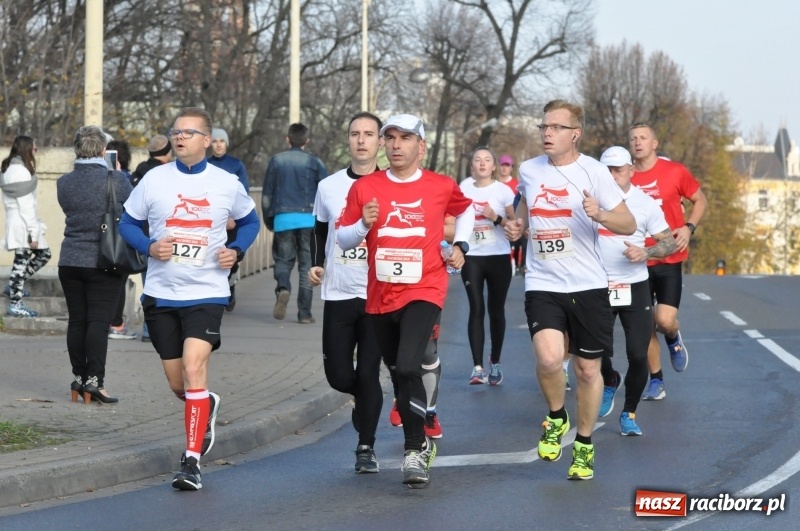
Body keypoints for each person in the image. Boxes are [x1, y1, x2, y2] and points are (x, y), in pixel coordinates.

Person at [119, 107, 260, 491]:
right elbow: (127, 223)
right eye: (176, 131)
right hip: (161, 294)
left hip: (207, 293)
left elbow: (250, 221)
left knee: (195, 368)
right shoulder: (154, 179)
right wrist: (149, 246)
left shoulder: (226, 182)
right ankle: (204, 403)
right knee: (179, 385)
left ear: (207, 140)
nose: (179, 137)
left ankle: (192, 461)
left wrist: (237, 251)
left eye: (188, 132)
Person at [336, 113, 474, 488]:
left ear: (421, 146)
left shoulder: (440, 185)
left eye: (406, 138)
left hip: (425, 288)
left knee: (411, 365)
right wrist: (363, 224)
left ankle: (413, 450)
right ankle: (421, 442)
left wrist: (460, 246)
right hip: (381, 295)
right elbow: (343, 239)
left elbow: (466, 209)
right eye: (391, 138)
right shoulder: (366, 187)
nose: (397, 145)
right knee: (400, 373)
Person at [504, 100, 635, 481]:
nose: (547, 133)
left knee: (587, 370)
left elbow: (627, 223)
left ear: (574, 134)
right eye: (543, 127)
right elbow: (524, 206)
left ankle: (584, 444)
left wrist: (602, 214)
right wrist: (518, 226)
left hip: (588, 284)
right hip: (543, 282)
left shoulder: (594, 172)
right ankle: (557, 416)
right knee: (549, 360)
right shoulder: (530, 170)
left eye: (556, 128)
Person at [308, 112, 386, 473]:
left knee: (369, 373)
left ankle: (365, 446)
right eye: (355, 133)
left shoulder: (391, 184)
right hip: (338, 291)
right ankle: (363, 400)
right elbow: (319, 229)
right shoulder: (329, 186)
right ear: (348, 140)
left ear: (380, 142)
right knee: (339, 376)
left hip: (377, 294)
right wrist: (316, 263)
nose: (361, 140)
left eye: (369, 134)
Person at [595, 146, 676, 435]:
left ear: (631, 170)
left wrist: (646, 252)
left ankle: (629, 413)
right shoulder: (589, 201)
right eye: (607, 170)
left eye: (618, 170)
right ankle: (609, 379)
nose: (612, 175)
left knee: (638, 355)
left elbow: (669, 242)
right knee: (594, 352)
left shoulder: (645, 203)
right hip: (597, 285)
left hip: (634, 285)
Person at [628, 123, 707, 400]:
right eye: (633, 139)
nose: (638, 142)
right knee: (645, 325)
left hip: (668, 257)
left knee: (664, 320)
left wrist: (688, 227)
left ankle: (673, 337)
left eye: (643, 138)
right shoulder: (624, 176)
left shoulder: (675, 171)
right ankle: (657, 380)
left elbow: (700, 200)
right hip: (636, 261)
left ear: (654, 143)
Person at [57, 126, 131, 403]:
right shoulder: (117, 179)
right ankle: (94, 383)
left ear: (77, 149)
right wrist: (117, 172)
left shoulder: (64, 182)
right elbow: (132, 210)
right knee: (98, 323)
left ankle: (78, 378)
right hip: (104, 260)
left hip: (70, 260)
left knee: (77, 321)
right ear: (103, 150)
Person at [459, 147, 516, 385]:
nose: (482, 164)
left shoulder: (503, 191)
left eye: (487, 160)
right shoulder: (463, 188)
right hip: (471, 256)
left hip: (498, 256)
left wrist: (496, 218)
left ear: (494, 166)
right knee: (476, 307)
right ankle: (477, 367)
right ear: (472, 165)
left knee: (496, 310)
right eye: (477, 160)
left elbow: (514, 226)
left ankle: (495, 361)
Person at [262, 123, 328, 324]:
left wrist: (269, 219)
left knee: (283, 261)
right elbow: (326, 193)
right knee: (307, 267)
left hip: (283, 219)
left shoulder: (276, 161)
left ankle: (283, 288)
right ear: (307, 141)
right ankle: (304, 314)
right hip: (309, 220)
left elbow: (267, 194)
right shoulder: (315, 162)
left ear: (287, 139)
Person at [129, 134, 173, 342]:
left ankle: (148, 330)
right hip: (161, 239)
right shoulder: (166, 175)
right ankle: (160, 330)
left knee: (149, 286)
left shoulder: (138, 173)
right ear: (168, 152)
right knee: (165, 286)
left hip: (140, 239)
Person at [1, 135, 51, 318]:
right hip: (23, 223)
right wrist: (33, 233)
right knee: (21, 262)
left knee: (42, 255)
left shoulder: (9, 169)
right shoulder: (21, 172)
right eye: (34, 148)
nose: (35, 151)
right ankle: (15, 303)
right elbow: (26, 205)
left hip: (16, 221)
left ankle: (15, 286)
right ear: (27, 149)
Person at [208, 127, 250, 312]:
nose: (218, 145)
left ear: (226, 144)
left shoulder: (236, 165)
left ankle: (230, 286)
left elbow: (243, 192)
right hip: (209, 219)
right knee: (211, 256)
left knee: (231, 257)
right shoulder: (205, 164)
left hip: (231, 220)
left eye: (221, 141)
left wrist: (233, 217)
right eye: (215, 141)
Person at [105, 140, 139, 340]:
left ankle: (110, 322)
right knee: (118, 282)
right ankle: (116, 324)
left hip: (103, 237)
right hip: (120, 239)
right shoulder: (125, 179)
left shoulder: (102, 178)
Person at [498, 154, 525, 276]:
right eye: (502, 165)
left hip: (511, 220)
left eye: (507, 165)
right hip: (495, 222)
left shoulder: (516, 185)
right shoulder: (493, 183)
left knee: (517, 244)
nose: (504, 168)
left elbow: (520, 203)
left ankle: (519, 266)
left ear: (511, 168)